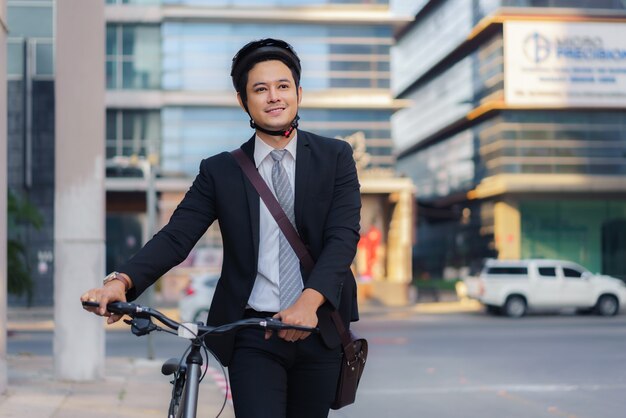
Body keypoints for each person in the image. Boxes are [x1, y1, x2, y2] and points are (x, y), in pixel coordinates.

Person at [81, 38, 361, 418]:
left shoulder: (336, 157)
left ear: (299, 92)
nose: (273, 97)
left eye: (283, 86)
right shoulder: (220, 171)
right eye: (260, 89)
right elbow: (176, 236)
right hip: (253, 333)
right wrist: (121, 281)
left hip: (318, 329)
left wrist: (307, 304)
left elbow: (342, 239)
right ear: (243, 101)